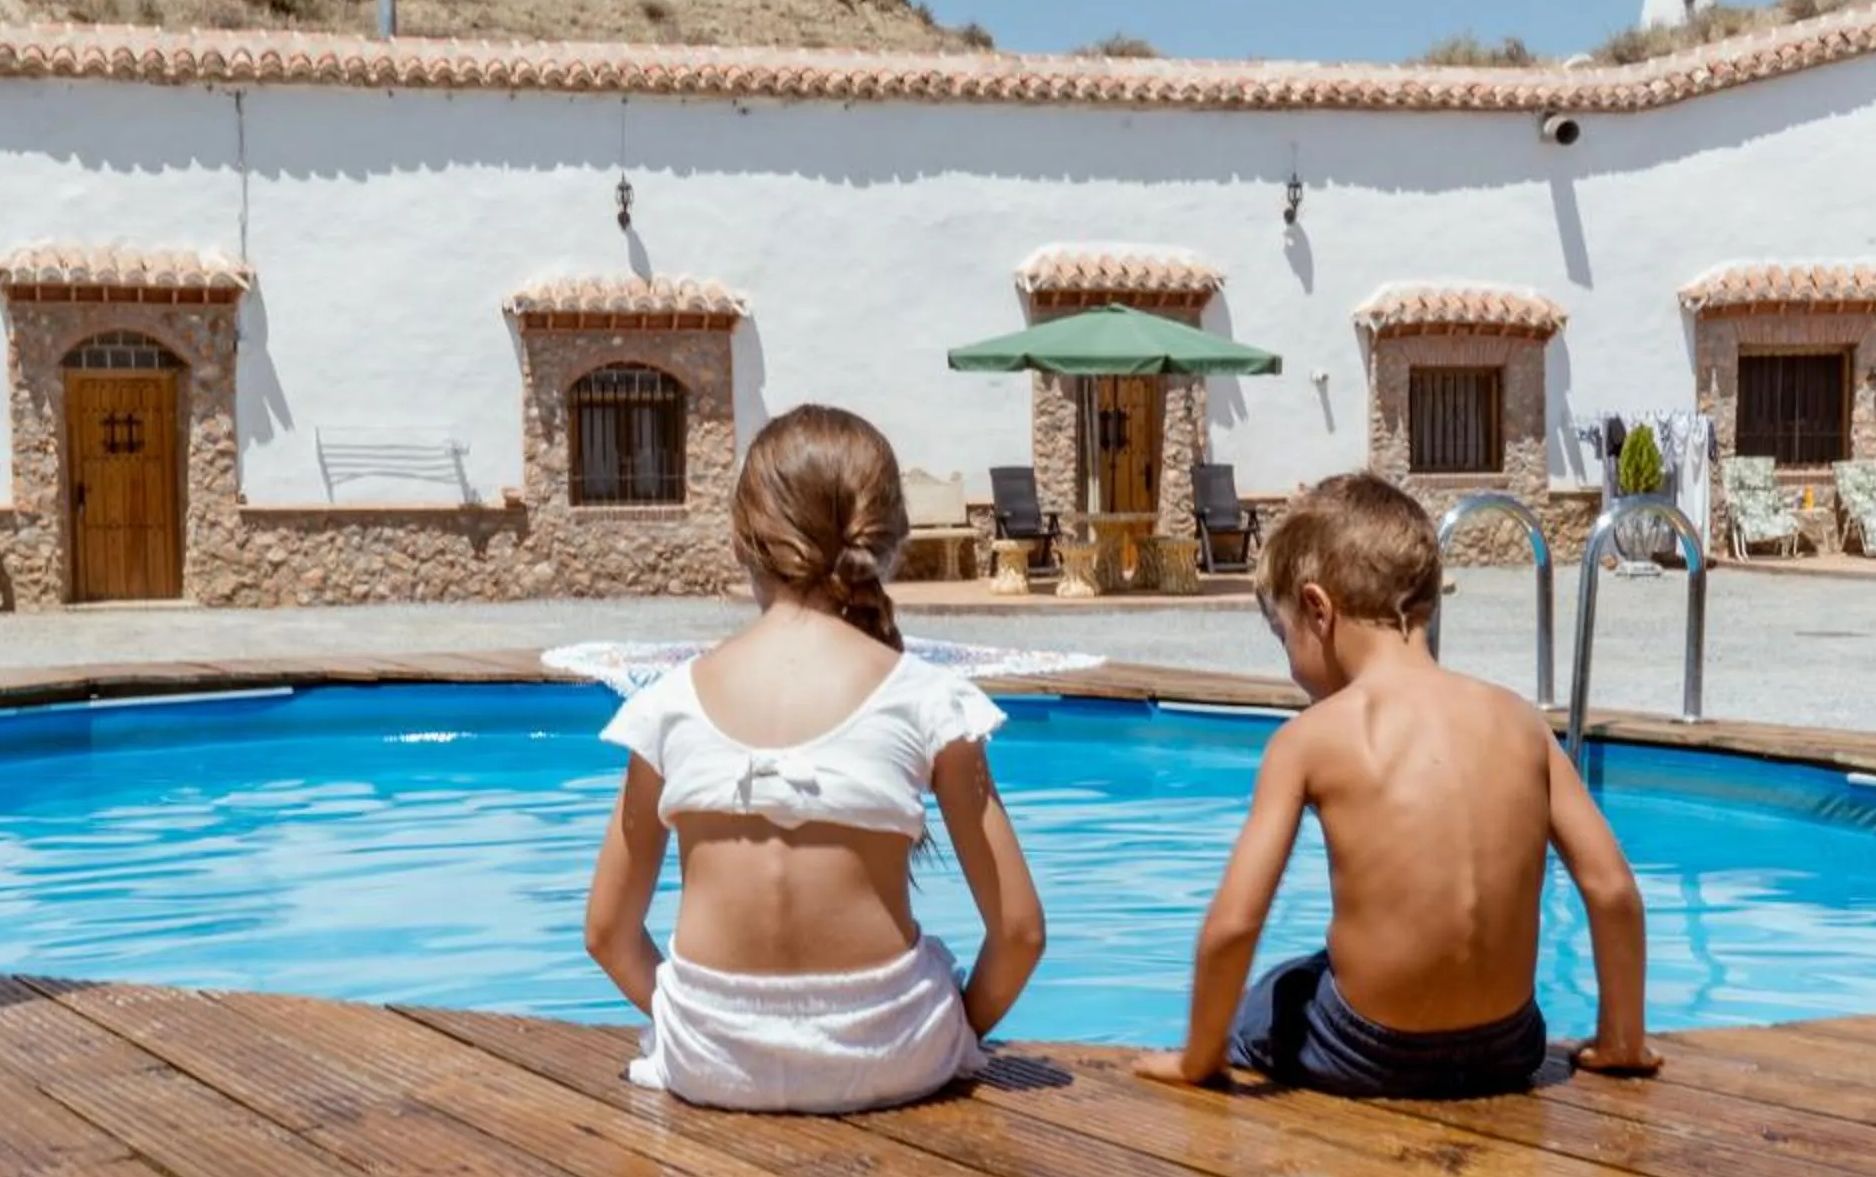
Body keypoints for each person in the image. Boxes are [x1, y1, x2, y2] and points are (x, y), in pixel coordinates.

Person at [1135, 473, 1660, 1098]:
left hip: (1367, 1051)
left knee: (1273, 993)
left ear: (1317, 610)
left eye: (1283, 637)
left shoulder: (1309, 738)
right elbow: (1612, 890)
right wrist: (1622, 1039)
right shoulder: (1520, 720)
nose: (1289, 663)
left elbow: (1234, 925)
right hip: (1508, 1046)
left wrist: (1198, 1059)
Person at [584, 405, 1046, 1113]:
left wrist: (709, 1030)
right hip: (894, 1052)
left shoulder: (668, 705)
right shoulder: (929, 700)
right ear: (889, 542)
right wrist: (955, 1031)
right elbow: (1019, 932)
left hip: (710, 1061)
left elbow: (607, 934)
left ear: (741, 540)